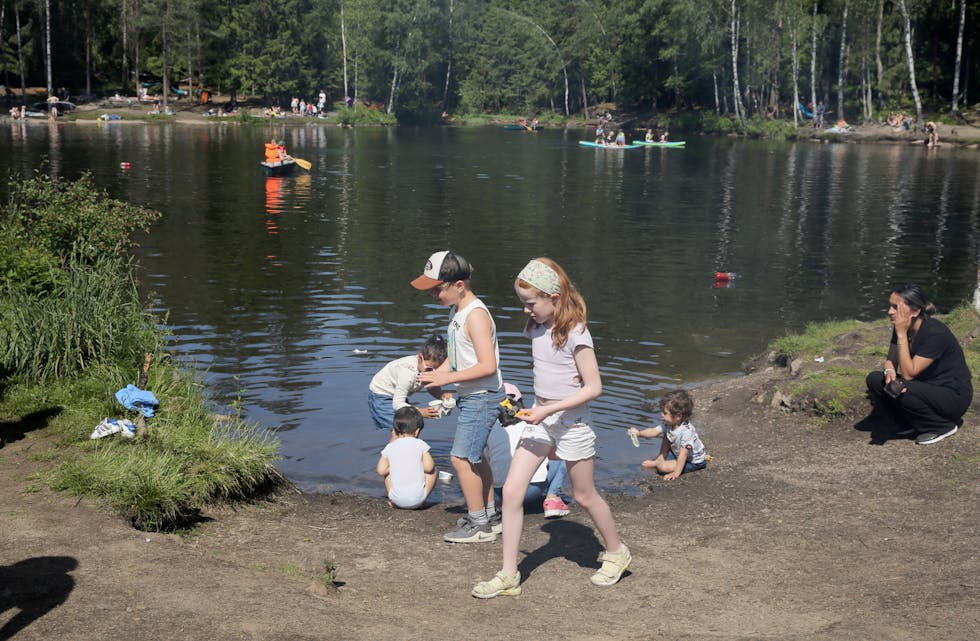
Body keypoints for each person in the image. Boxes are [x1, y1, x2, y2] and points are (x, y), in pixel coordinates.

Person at [472, 258, 630, 599]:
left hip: (571, 424)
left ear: (554, 298)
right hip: (541, 421)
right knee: (512, 492)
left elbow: (594, 387)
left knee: (584, 495)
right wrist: (533, 408)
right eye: (523, 303)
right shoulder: (537, 327)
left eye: (531, 303)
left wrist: (549, 408)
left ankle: (617, 552)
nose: (527, 310)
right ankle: (509, 573)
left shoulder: (577, 333)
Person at [411, 250, 505, 543]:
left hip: (483, 396)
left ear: (459, 285)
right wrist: (434, 374)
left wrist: (446, 378)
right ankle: (490, 514)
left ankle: (479, 525)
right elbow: (459, 360)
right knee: (476, 458)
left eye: (437, 288)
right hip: (472, 395)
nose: (433, 295)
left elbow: (488, 366)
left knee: (460, 458)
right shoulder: (456, 313)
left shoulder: (475, 316)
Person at [865, 284, 972, 445]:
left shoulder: (935, 333)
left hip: (953, 396)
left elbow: (909, 373)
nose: (890, 311)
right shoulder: (902, 327)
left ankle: (942, 426)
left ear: (915, 311)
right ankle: (908, 422)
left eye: (896, 307)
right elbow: (891, 359)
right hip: (925, 387)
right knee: (875, 380)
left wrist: (901, 334)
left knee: (904, 386)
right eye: (890, 306)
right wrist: (889, 371)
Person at [487, 383, 570, 517]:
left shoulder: (488, 428)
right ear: (519, 402)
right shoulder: (532, 423)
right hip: (531, 491)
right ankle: (552, 498)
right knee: (562, 450)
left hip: (500, 491)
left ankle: (498, 503)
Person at [368, 335, 450, 431]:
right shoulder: (408, 373)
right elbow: (398, 404)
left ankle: (407, 444)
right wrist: (420, 412)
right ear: (420, 357)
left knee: (413, 427)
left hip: (398, 395)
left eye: (437, 370)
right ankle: (394, 445)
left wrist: (441, 395)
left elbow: (430, 387)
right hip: (382, 395)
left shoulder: (425, 369)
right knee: (398, 429)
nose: (432, 373)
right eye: (429, 369)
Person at [627, 389, 709, 480]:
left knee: (662, 468)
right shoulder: (669, 424)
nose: (661, 415)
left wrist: (676, 473)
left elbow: (683, 454)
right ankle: (660, 459)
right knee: (666, 434)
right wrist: (639, 433)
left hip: (693, 461)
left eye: (665, 413)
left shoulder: (686, 432)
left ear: (678, 416)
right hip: (679, 454)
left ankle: (661, 463)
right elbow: (653, 431)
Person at [376, 406, 437, 509]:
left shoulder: (390, 446)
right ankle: (423, 500)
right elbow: (429, 467)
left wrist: (396, 466)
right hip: (417, 500)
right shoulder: (420, 444)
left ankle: (392, 501)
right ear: (417, 431)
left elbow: (381, 471)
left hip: (397, 500)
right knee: (434, 471)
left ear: (394, 430)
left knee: (388, 474)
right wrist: (415, 464)